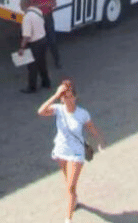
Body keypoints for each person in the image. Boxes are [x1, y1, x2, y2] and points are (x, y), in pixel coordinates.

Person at [37, 80, 106, 223]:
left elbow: (92, 129)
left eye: (69, 96)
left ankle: (68, 219)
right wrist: (55, 95)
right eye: (64, 97)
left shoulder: (82, 113)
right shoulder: (58, 109)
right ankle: (74, 200)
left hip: (76, 153)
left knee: (70, 186)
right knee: (68, 182)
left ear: (75, 97)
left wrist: (100, 141)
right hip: (61, 150)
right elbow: (41, 111)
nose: (67, 100)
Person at [18, 0, 50, 94]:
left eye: (21, 4)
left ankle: (32, 87)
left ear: (24, 5)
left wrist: (22, 48)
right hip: (43, 40)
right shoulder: (37, 11)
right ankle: (46, 82)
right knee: (42, 63)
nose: (20, 6)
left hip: (35, 43)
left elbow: (27, 36)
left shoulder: (27, 18)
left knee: (32, 66)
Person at [30, 0, 61, 69]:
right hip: (38, 18)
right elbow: (32, 5)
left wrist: (41, 5)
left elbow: (54, 3)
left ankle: (57, 61)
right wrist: (45, 4)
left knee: (52, 40)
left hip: (48, 17)